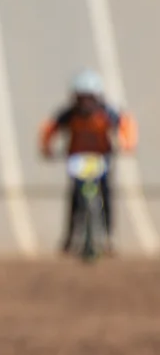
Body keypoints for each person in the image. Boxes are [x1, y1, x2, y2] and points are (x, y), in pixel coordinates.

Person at [40, 69, 138, 255]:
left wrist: (127, 144)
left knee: (106, 193)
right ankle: (70, 237)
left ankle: (108, 236)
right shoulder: (69, 114)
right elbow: (49, 128)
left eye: (89, 98)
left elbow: (126, 125)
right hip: (77, 159)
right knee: (75, 195)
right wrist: (47, 148)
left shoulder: (107, 112)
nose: (85, 103)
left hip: (101, 158)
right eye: (81, 98)